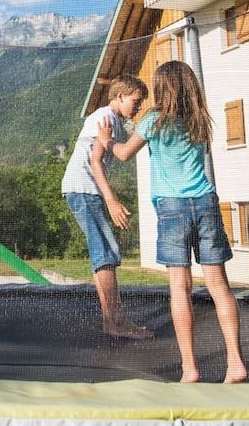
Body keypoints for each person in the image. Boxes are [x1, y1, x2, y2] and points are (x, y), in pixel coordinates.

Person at [98, 60, 247, 383]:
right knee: (219, 286)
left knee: (180, 288)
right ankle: (235, 363)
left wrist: (106, 139)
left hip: (172, 208)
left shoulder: (153, 119)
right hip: (206, 202)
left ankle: (190, 368)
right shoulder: (199, 119)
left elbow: (123, 153)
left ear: (162, 88)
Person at [61, 73, 152, 339]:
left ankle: (111, 322)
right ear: (120, 96)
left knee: (103, 254)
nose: (139, 106)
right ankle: (117, 322)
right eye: (136, 101)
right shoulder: (105, 117)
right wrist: (111, 201)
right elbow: (96, 161)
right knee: (106, 253)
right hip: (85, 189)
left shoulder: (112, 120)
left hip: (84, 190)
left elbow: (116, 152)